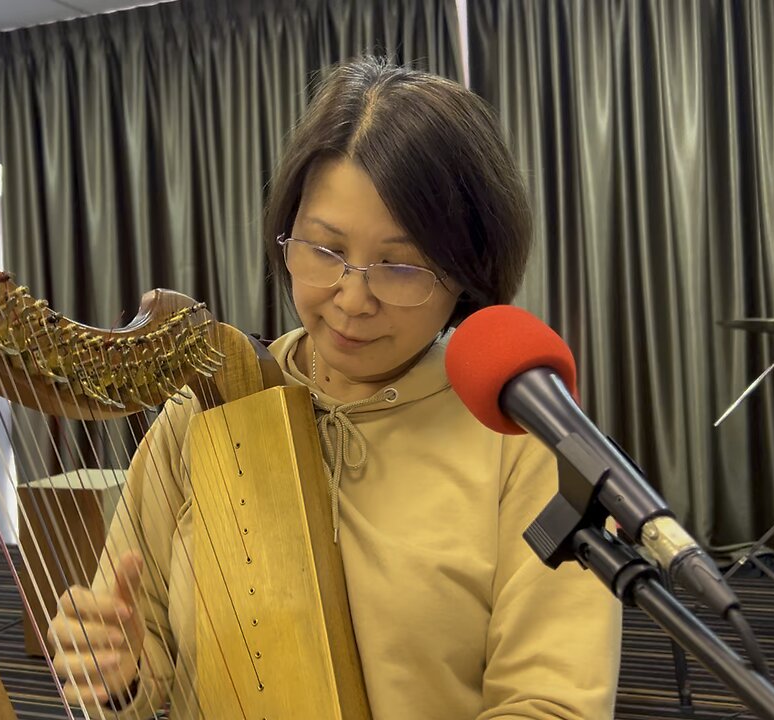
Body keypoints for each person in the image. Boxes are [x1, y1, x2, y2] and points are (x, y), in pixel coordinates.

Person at [46, 56, 622, 719]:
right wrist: (115, 672)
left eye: (400, 266)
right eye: (323, 250)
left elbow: (553, 705)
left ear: (468, 271)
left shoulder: (522, 441)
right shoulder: (201, 411)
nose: (352, 299)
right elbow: (137, 658)